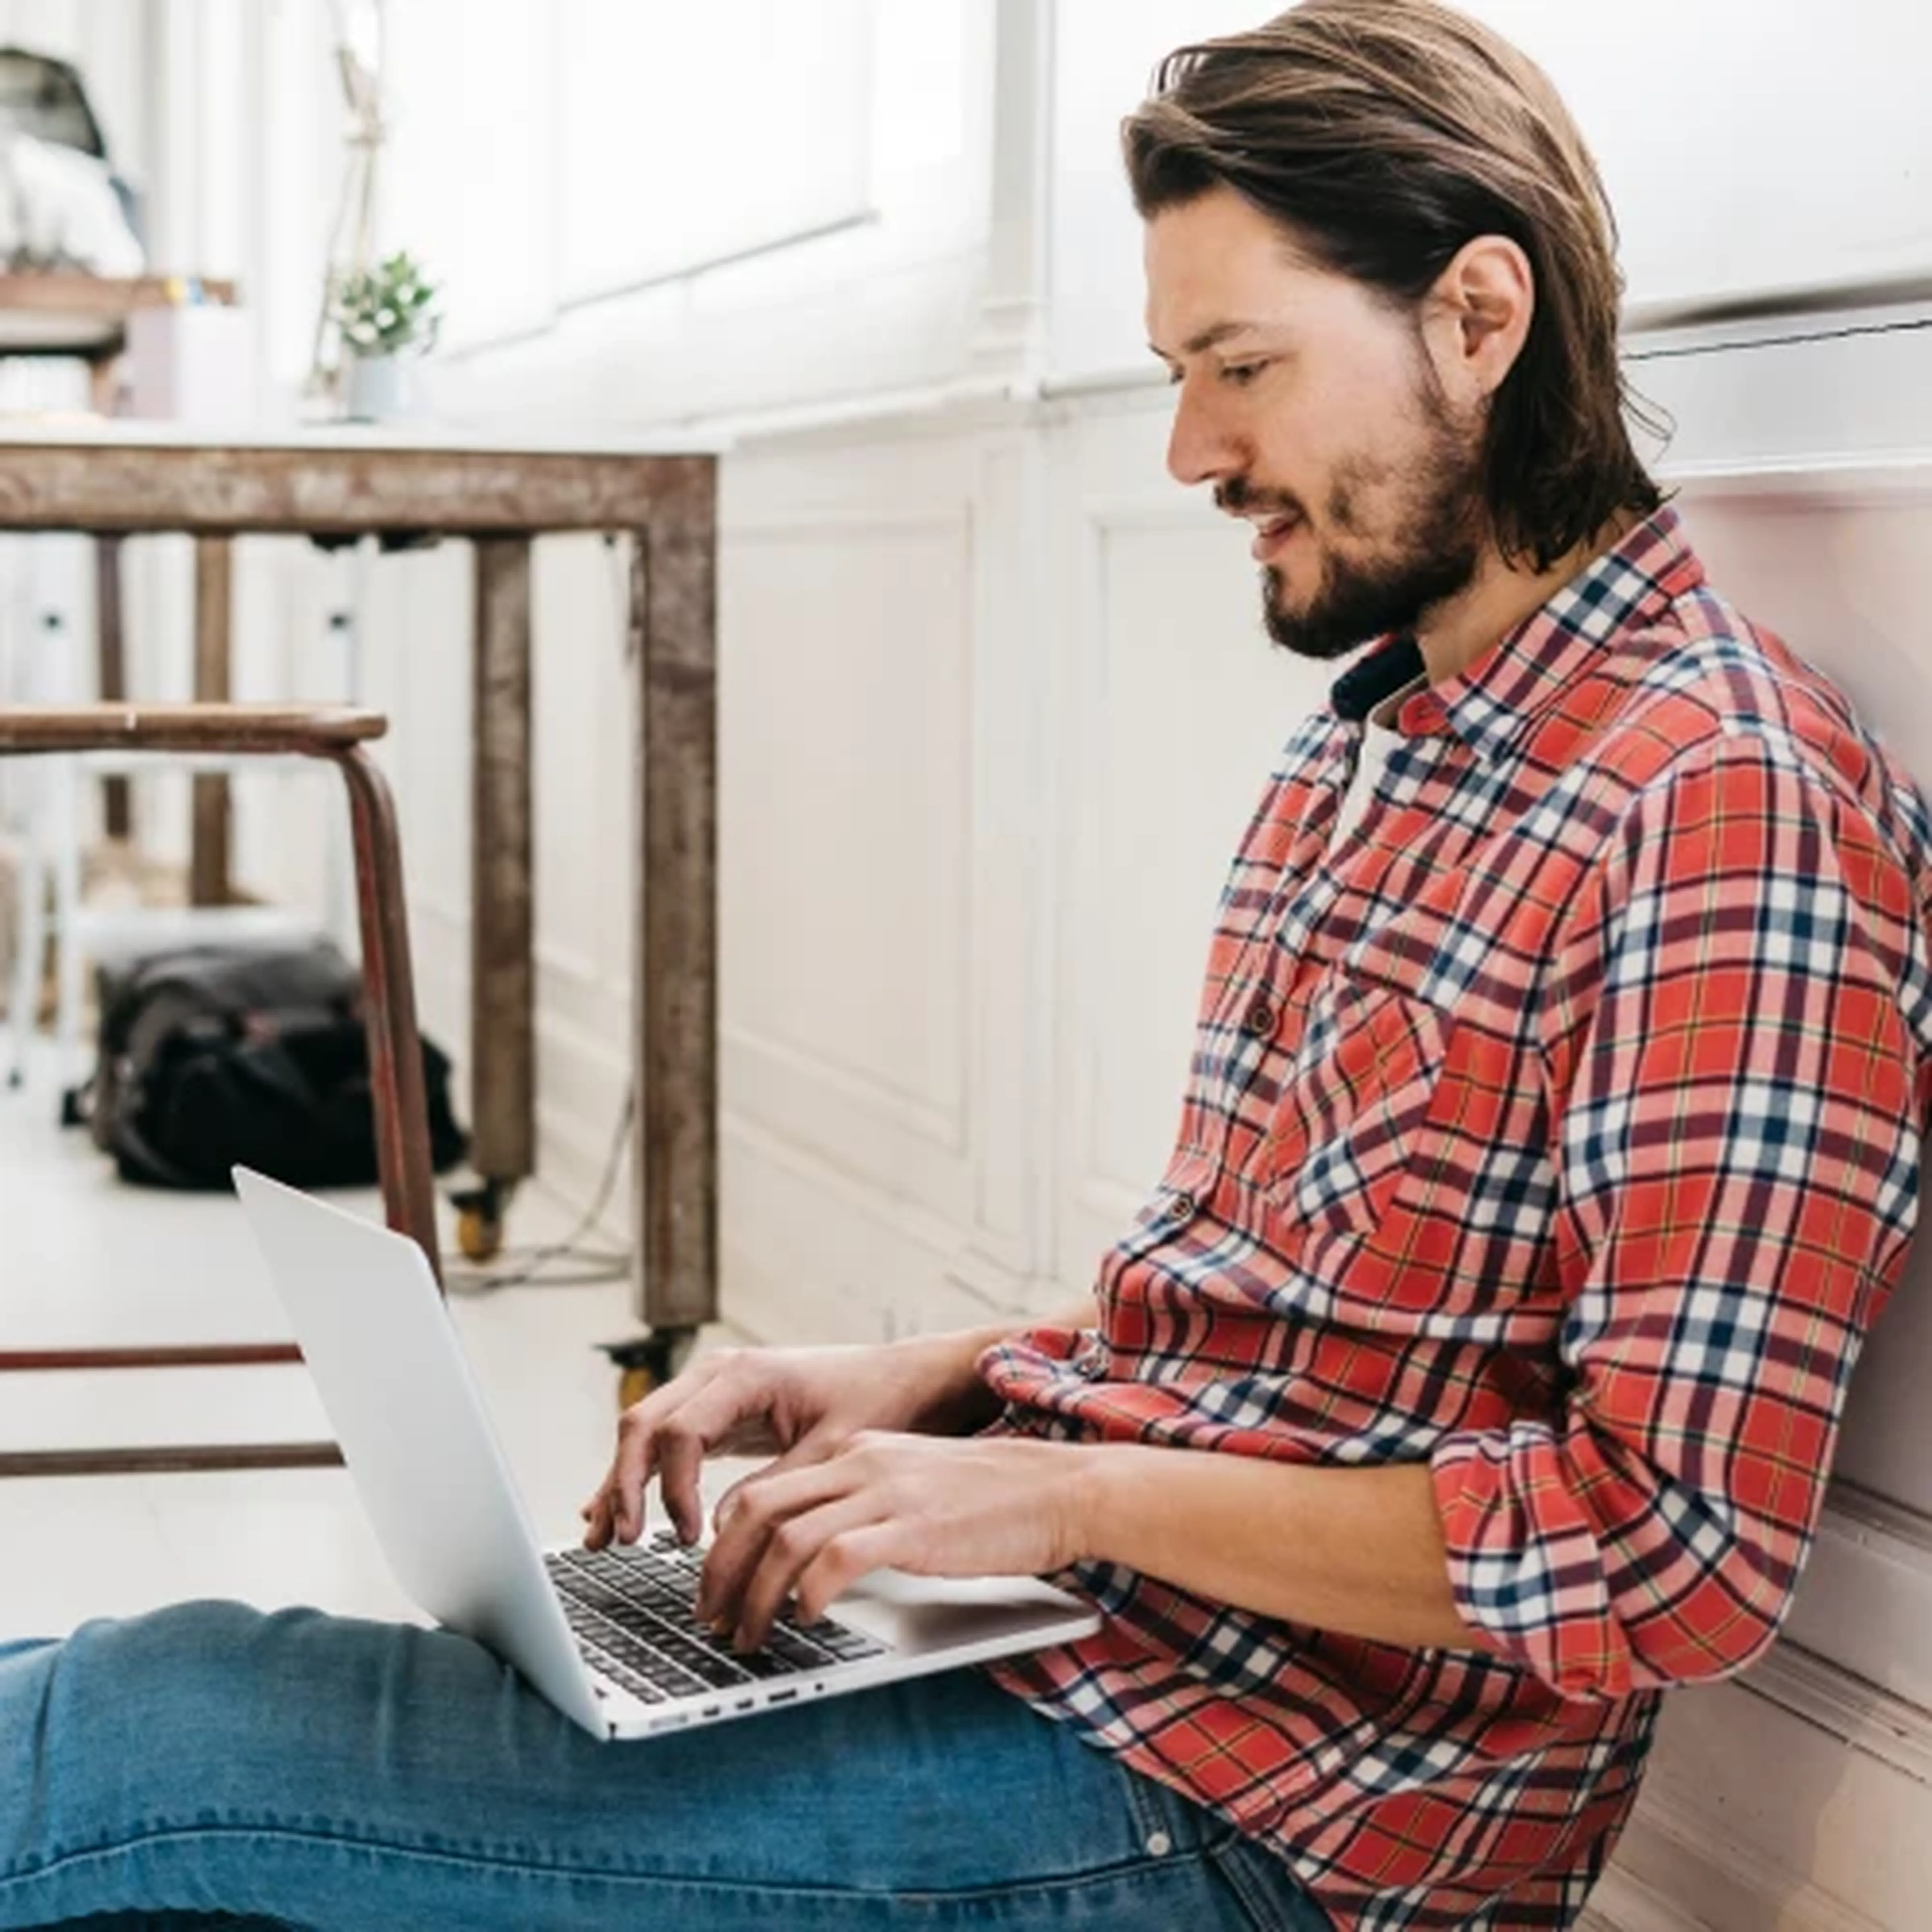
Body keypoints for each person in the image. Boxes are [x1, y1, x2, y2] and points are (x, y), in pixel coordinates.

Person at [5, 3, 1928, 1927]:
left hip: (1260, 1828)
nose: (1191, 449)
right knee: (142, 1744)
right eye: (1181, 372)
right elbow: (1291, 1351)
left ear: (1480, 321)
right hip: (1087, 1662)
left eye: (1241, 365)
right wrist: (944, 1382)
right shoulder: (1385, 736)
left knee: (135, 1753)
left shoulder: (1718, 809)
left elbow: (1672, 1554)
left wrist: (1062, 1493)